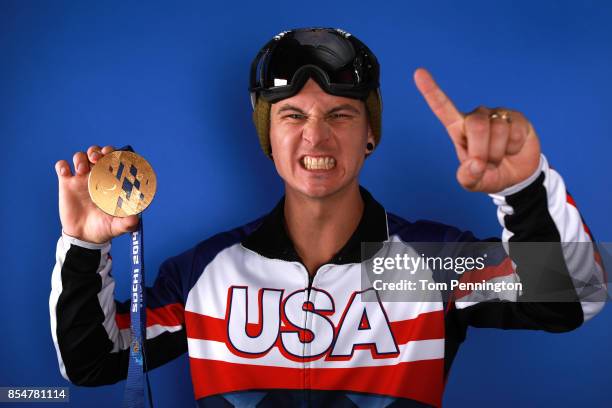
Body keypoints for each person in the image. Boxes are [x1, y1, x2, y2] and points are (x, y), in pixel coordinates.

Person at [50, 28, 605, 407]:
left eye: (340, 113)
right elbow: (95, 362)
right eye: (292, 115)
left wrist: (525, 187)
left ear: (370, 134)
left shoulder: (424, 266)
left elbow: (575, 296)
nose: (317, 136)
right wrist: (83, 247)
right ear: (268, 136)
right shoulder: (208, 272)